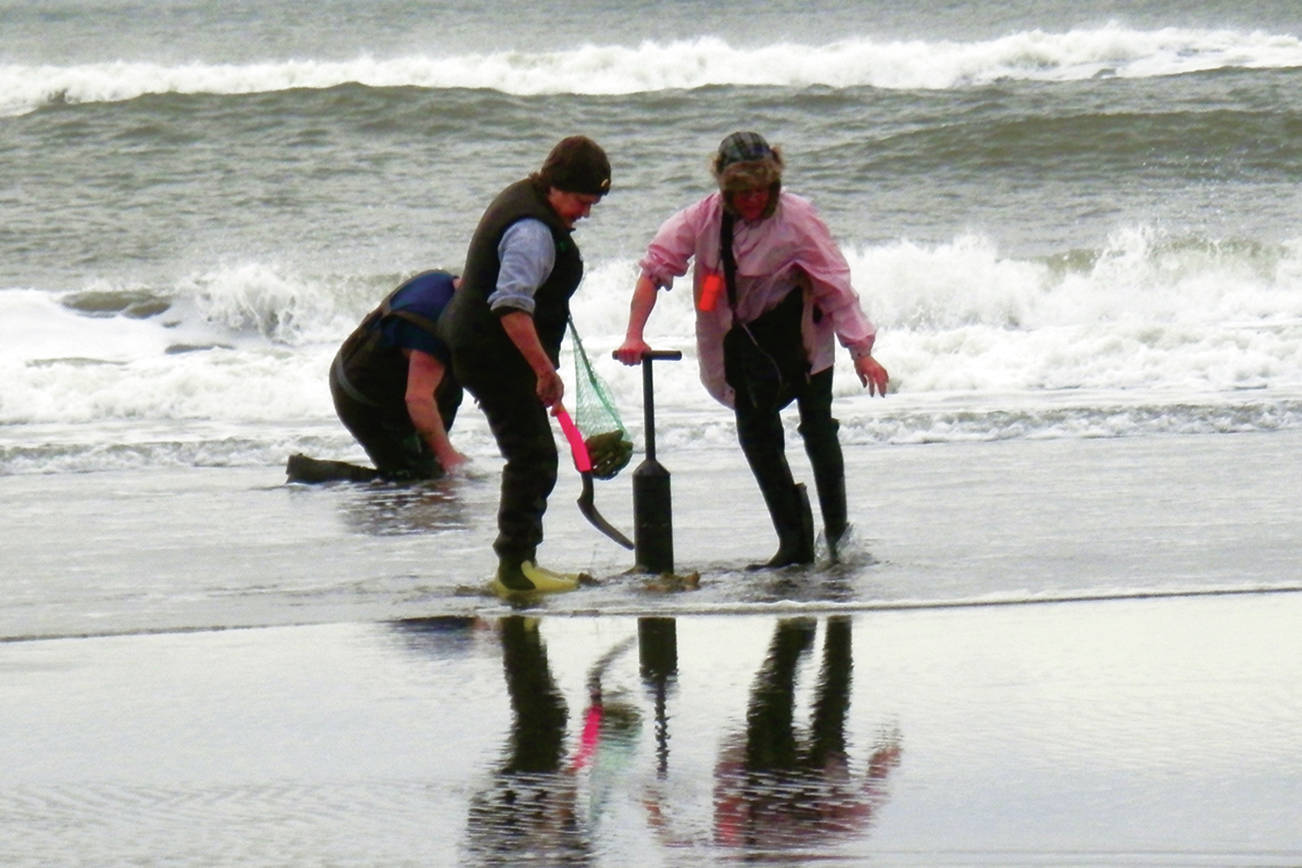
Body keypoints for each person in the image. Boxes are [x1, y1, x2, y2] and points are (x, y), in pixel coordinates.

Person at [615, 131, 888, 567]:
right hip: (741, 341)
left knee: (818, 430)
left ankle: (838, 535)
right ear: (725, 187)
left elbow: (836, 285)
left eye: (762, 189)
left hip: (804, 336)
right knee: (757, 435)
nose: (753, 200)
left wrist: (862, 351)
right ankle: (793, 541)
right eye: (741, 191)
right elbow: (654, 271)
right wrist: (634, 334)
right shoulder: (699, 219)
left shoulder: (798, 219)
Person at [440, 135, 611, 594]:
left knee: (532, 455)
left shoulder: (527, 202)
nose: (585, 212)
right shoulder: (532, 231)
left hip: (481, 347)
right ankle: (515, 569)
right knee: (533, 458)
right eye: (581, 200)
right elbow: (510, 305)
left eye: (592, 203)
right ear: (556, 186)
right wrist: (543, 370)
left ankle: (521, 561)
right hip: (492, 353)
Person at [288, 269, 468, 484]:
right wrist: (448, 457)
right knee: (411, 478)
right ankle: (309, 475)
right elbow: (418, 399)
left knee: (433, 473)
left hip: (392, 383)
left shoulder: (449, 288)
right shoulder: (434, 321)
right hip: (362, 395)